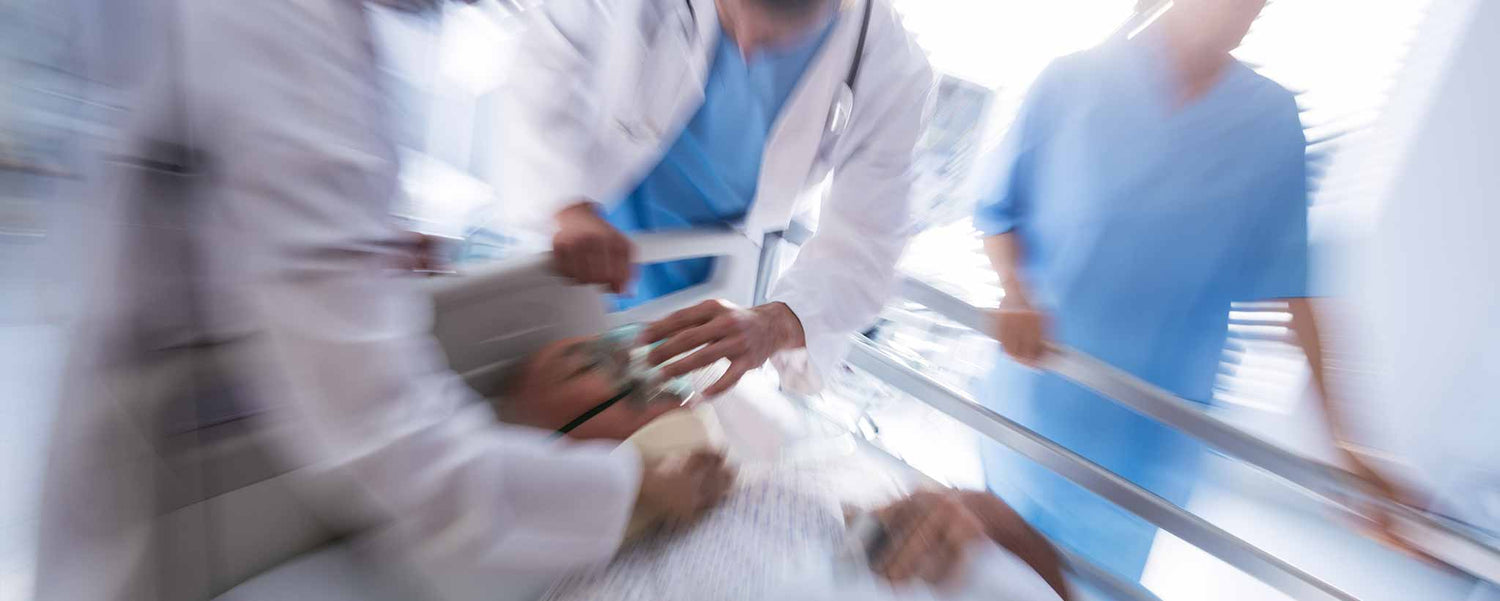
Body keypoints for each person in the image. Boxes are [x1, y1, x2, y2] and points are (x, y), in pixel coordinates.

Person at [34, 1, 730, 599]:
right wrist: (635, 488)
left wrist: (356, 249)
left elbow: (273, 201)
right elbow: (394, 444)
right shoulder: (284, 37)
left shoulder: (317, 36)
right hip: (160, 478)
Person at [970, 0, 1400, 581]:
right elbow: (999, 210)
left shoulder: (1270, 122)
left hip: (1145, 447)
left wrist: (1346, 445)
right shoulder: (1074, 79)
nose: (1246, 12)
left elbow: (1294, 294)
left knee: (1089, 586)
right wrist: (1017, 294)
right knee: (990, 576)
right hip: (1038, 401)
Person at [497, 0, 934, 397]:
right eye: (731, 14)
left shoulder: (891, 67)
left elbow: (869, 243)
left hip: (712, 273)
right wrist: (567, 206)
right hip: (590, 224)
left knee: (660, 413)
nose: (744, 47)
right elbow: (547, 60)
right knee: (537, 390)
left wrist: (779, 322)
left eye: (773, 38)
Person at [489, 334, 1073, 601]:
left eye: (616, 350)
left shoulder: (790, 479)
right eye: (582, 364)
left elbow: (1022, 553)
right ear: (539, 452)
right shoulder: (590, 590)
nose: (624, 358)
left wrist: (974, 519)